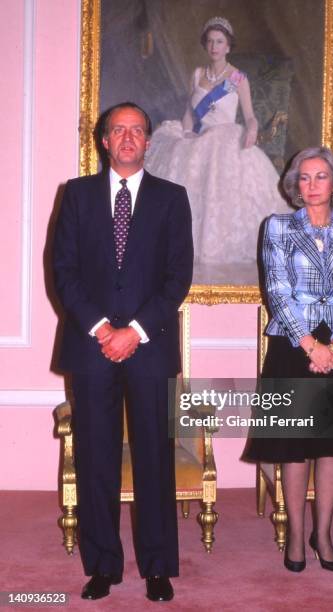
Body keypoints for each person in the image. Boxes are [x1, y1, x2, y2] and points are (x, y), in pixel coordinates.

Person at [53, 102, 193, 602]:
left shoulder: (172, 198)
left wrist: (133, 330)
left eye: (137, 130)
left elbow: (178, 276)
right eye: (119, 130)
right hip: (90, 348)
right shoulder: (77, 195)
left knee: (155, 456)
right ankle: (103, 565)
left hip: (149, 347)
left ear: (149, 142)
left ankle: (157, 566)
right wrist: (100, 328)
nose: (129, 138)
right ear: (104, 141)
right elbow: (63, 271)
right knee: (96, 457)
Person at [242, 146, 333, 572]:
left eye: (321, 177)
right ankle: (297, 536)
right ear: (294, 185)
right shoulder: (278, 227)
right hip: (292, 344)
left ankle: (324, 533)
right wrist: (310, 345)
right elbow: (277, 292)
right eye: (305, 177)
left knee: (331, 445)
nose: (313, 185)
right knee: (292, 446)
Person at [144, 16, 289, 277]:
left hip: (225, 139)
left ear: (228, 46)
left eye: (219, 42)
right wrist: (186, 133)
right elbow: (189, 112)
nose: (214, 46)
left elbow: (250, 115)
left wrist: (253, 129)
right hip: (199, 138)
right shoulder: (198, 74)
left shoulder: (237, 78)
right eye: (210, 41)